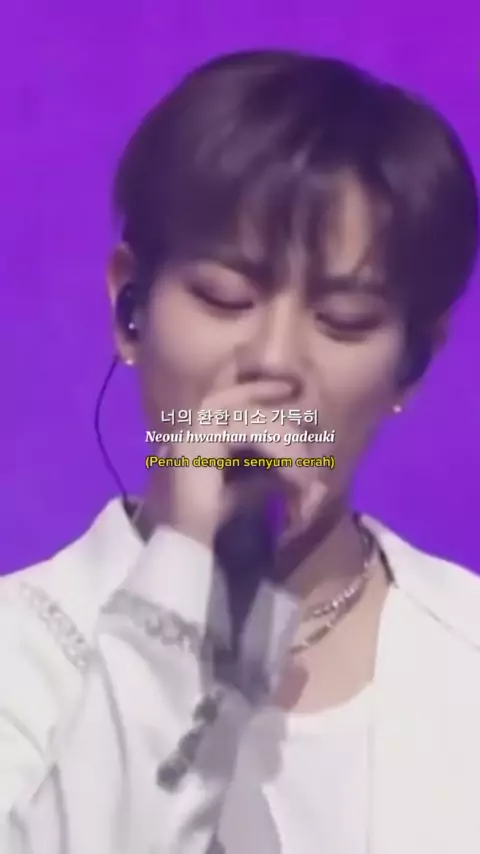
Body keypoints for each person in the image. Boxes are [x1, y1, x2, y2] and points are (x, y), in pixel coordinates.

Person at [1, 48, 479, 854]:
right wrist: (190, 563)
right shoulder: (20, 654)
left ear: (412, 363)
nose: (275, 360)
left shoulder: (463, 647)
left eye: (344, 320)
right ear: (130, 309)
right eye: (226, 297)